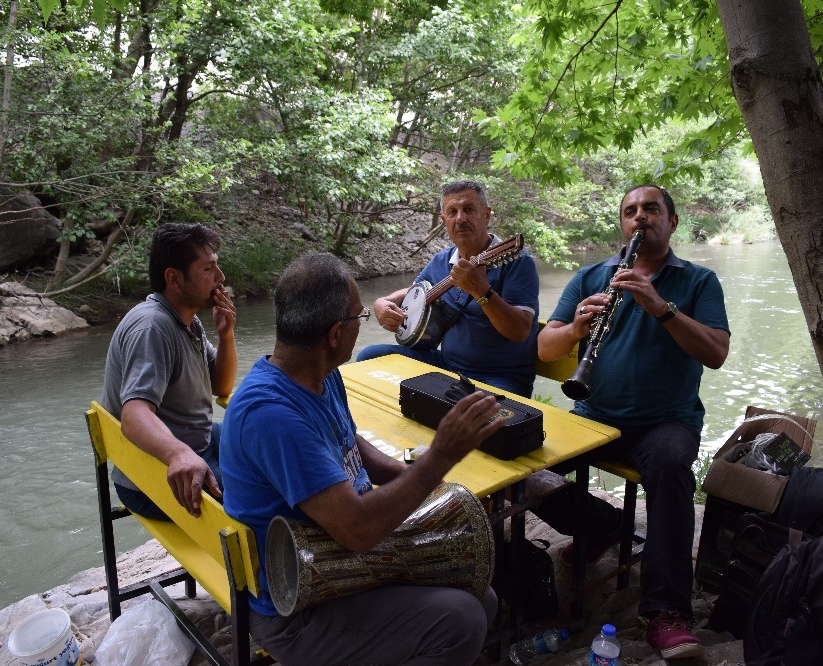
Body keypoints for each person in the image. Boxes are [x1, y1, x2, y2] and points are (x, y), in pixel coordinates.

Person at [220, 252, 502, 665]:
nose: (361, 324)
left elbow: (349, 444)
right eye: (359, 317)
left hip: (341, 561)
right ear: (336, 333)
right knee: (462, 620)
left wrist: (416, 482)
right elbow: (357, 528)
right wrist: (440, 455)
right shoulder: (271, 414)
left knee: (480, 594)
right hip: (298, 604)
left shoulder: (320, 373)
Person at [531, 185, 730, 659]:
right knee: (518, 462)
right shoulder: (592, 276)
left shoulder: (699, 281)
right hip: (594, 417)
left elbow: (716, 353)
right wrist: (576, 328)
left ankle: (666, 612)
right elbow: (545, 347)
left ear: (671, 221)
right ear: (623, 224)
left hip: (665, 421)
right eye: (631, 211)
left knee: (671, 468)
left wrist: (662, 308)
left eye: (651, 209)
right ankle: (603, 524)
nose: (640, 217)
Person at [101, 222, 237, 520]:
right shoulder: (153, 327)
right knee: (262, 490)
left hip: (197, 442)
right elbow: (134, 415)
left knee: (262, 440)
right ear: (174, 278)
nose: (220, 277)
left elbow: (221, 387)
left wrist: (226, 336)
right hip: (156, 476)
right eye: (208, 268)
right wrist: (178, 453)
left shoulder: (186, 320)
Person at [357, 180, 540, 397]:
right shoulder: (441, 261)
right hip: (446, 365)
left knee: (467, 408)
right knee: (370, 357)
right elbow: (417, 292)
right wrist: (382, 302)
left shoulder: (518, 262)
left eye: (469, 209)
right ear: (444, 221)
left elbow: (520, 331)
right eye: (452, 212)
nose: (460, 218)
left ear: (486, 215)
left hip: (499, 376)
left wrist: (482, 291)